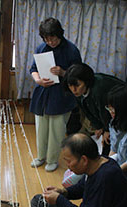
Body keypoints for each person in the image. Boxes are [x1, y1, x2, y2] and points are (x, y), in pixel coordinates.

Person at [29, 17, 82, 172]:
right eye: (46, 39)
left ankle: (52, 159)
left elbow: (79, 75)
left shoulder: (71, 50)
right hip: (43, 93)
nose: (50, 42)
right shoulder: (41, 48)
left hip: (62, 96)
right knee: (41, 128)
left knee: (57, 130)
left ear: (59, 34)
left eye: (53, 38)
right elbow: (33, 69)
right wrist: (38, 80)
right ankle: (40, 156)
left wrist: (63, 72)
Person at [63, 63, 127, 146]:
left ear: (86, 81)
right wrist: (98, 126)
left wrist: (106, 130)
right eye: (70, 86)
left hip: (124, 111)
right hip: (108, 116)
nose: (73, 90)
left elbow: (104, 111)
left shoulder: (99, 88)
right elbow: (86, 110)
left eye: (77, 85)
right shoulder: (79, 92)